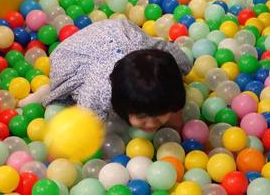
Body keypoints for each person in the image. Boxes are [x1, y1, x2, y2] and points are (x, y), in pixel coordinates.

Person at [32, 19, 192, 132]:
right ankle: (45, 92)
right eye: (141, 115)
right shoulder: (100, 91)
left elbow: (174, 58)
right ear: (120, 103)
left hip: (120, 32)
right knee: (72, 108)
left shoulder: (155, 54)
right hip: (74, 54)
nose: (151, 124)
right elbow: (83, 126)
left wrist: (177, 125)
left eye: (159, 114)